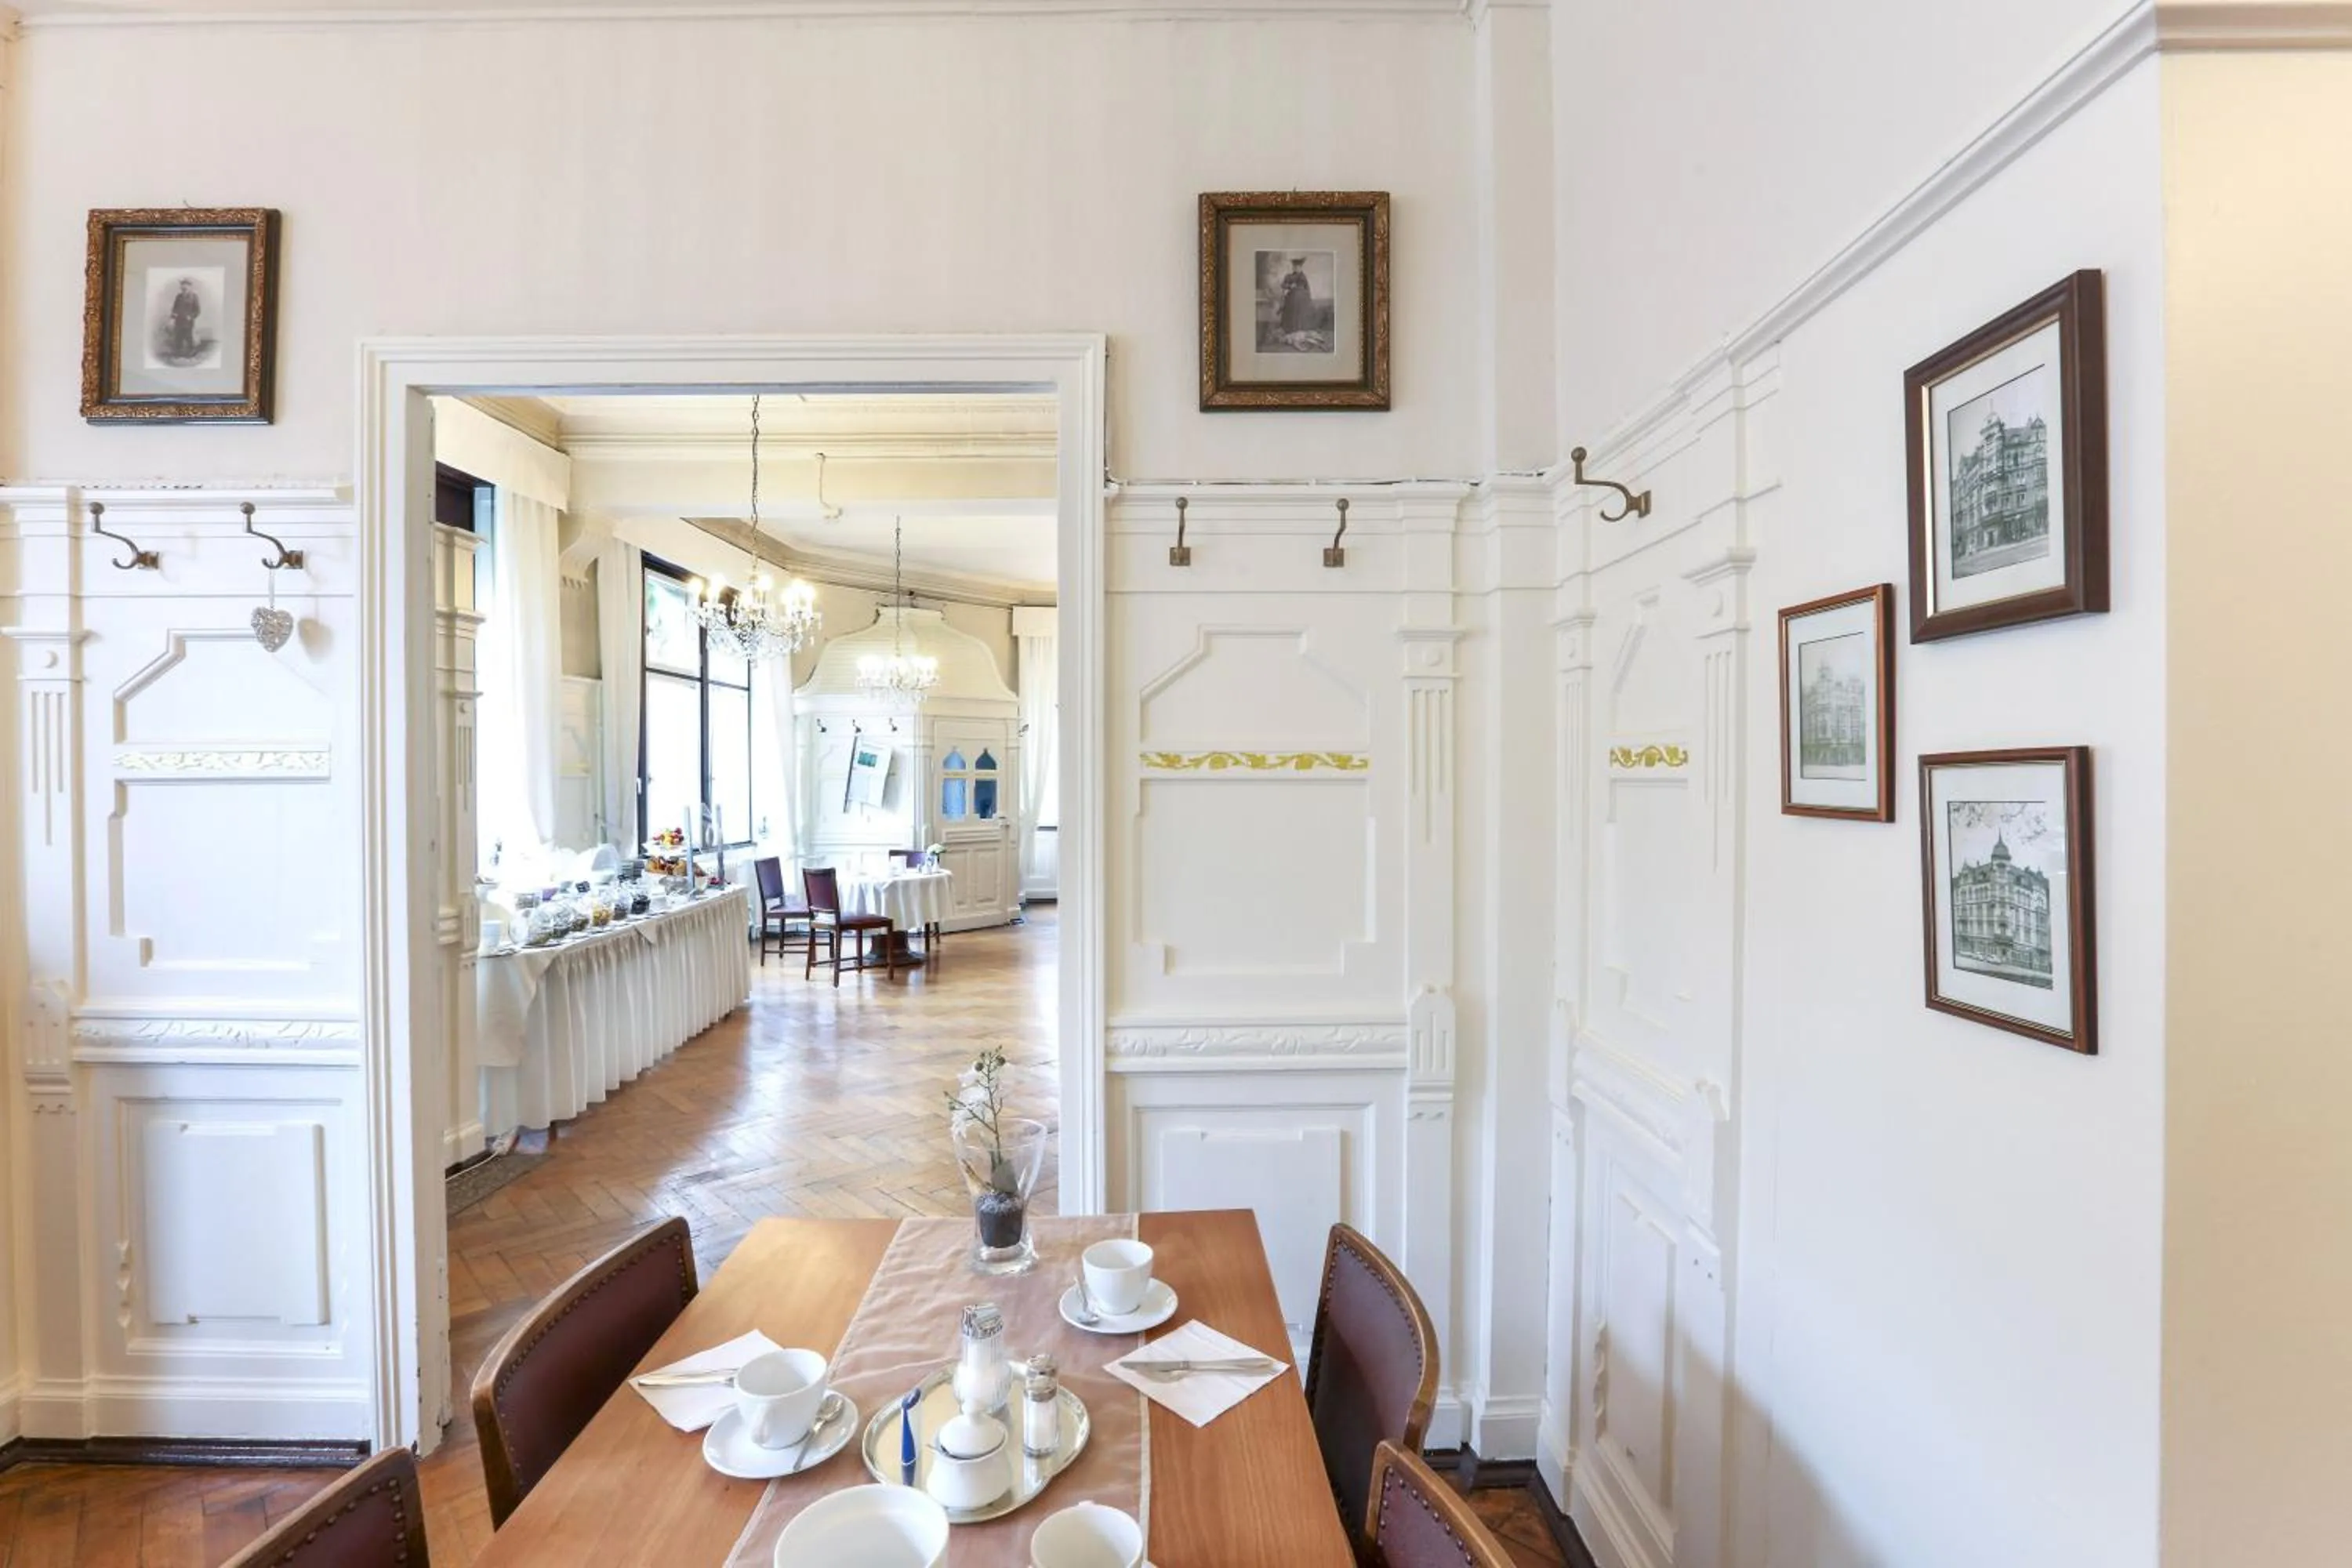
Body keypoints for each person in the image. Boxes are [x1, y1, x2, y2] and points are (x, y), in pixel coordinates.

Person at [1278, 258, 1315, 339]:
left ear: (1301, 267)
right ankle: (1290, 331)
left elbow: (1307, 288)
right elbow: (1283, 285)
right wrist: (1290, 286)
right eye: (1294, 267)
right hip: (1292, 299)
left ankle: (1300, 332)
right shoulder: (1289, 276)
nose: (1296, 268)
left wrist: (1309, 298)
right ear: (1293, 267)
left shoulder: (1303, 277)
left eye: (1298, 267)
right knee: (1291, 313)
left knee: (1300, 315)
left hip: (1302, 300)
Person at [166, 278, 201, 361]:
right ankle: (178, 354)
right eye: (182, 286)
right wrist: (172, 318)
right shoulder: (178, 297)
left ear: (189, 287)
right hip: (179, 321)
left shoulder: (194, 297)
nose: (184, 288)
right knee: (178, 337)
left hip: (188, 322)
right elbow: (175, 309)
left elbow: (197, 311)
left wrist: (191, 316)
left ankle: (192, 354)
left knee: (189, 337)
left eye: (186, 286)